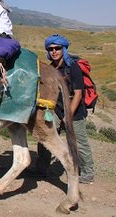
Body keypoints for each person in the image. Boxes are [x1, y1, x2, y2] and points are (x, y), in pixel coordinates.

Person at [32, 34, 95, 184]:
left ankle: (88, 172)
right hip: (54, 109)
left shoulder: (73, 67)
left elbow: (78, 93)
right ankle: (42, 169)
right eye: (51, 49)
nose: (54, 51)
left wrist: (69, 115)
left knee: (79, 142)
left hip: (74, 111)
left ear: (64, 49)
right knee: (45, 138)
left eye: (57, 48)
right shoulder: (51, 68)